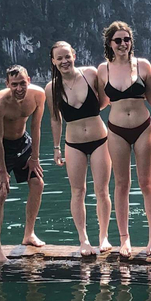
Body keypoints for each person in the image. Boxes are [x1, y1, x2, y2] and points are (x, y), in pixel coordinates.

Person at [97, 21, 151, 258]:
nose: (123, 44)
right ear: (110, 44)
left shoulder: (143, 66)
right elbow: (101, 103)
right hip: (116, 130)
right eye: (118, 40)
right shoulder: (103, 70)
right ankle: (124, 239)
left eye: (126, 39)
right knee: (121, 184)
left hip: (144, 127)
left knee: (146, 182)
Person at [45, 41, 112, 258]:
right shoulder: (51, 87)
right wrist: (56, 147)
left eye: (67, 56)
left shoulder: (91, 74)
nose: (64, 61)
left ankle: (103, 237)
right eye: (59, 58)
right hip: (73, 143)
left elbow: (104, 101)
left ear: (74, 55)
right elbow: (55, 119)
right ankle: (83, 239)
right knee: (78, 191)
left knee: (102, 190)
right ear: (53, 61)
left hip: (100, 138)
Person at [0, 65, 47, 261]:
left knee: (38, 183)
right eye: (14, 85)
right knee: (1, 190)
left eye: (23, 83)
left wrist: (35, 158)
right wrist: (2, 171)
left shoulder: (38, 95)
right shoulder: (0, 103)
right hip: (1, 145)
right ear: (7, 84)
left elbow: (36, 127)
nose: (19, 88)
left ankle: (28, 234)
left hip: (23, 142)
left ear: (28, 80)